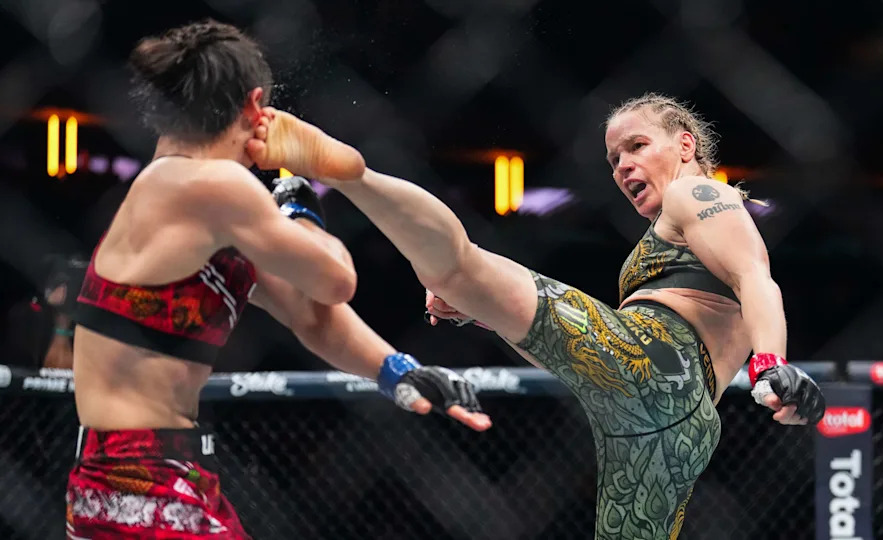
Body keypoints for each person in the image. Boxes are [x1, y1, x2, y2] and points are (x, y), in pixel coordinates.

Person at [248, 93, 826, 540]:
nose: (623, 165)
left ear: (683, 144)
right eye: (614, 157)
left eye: (637, 146)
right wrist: (486, 313)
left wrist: (772, 362)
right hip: (679, 425)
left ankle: (350, 173)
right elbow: (580, 362)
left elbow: (755, 276)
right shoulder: (677, 227)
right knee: (464, 283)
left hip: (657, 362)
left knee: (458, 267)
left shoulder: (697, 195)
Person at [66, 19, 490, 540]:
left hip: (123, 476)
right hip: (148, 481)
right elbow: (336, 278)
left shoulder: (177, 197)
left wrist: (398, 371)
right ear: (254, 105)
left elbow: (311, 313)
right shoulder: (209, 183)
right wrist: (300, 198)